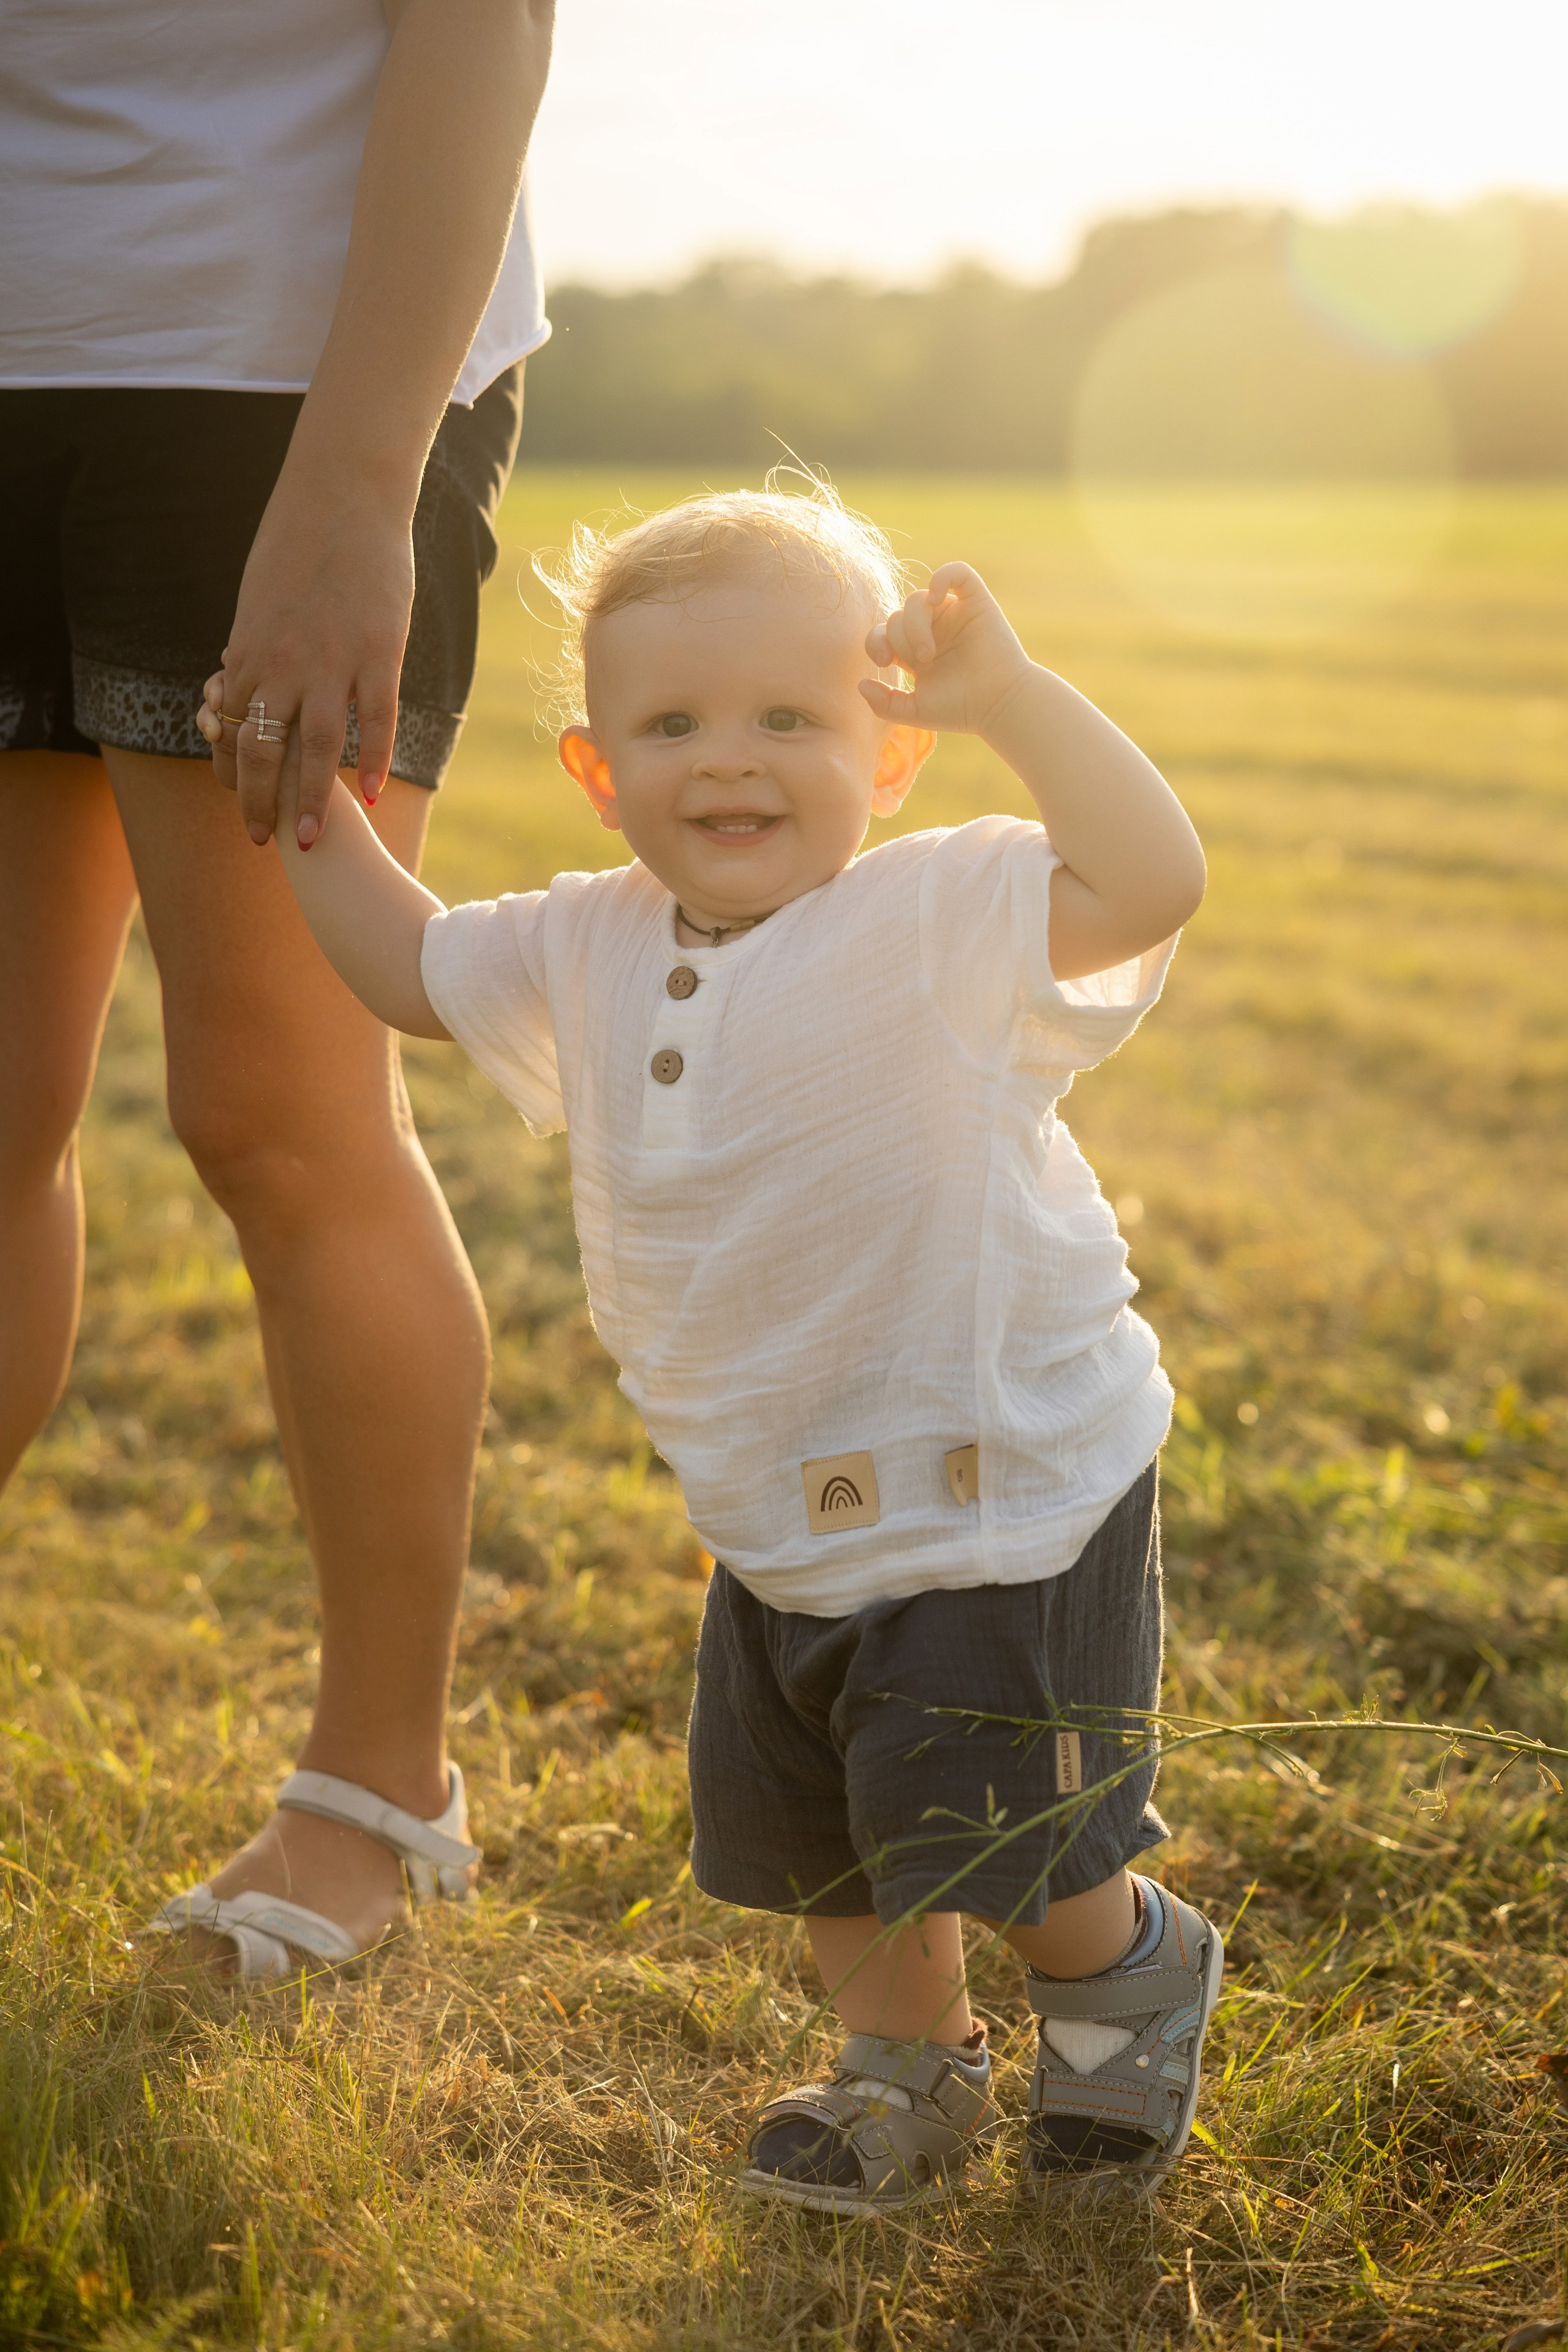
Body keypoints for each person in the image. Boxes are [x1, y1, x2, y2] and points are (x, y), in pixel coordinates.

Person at [216, 481, 1221, 2203]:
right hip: (771, 1502)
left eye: (789, 717)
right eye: (672, 723)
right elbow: (407, 965)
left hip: (1001, 1480)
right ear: (600, 771)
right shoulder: (589, 942)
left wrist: (1021, 700)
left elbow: (1152, 879)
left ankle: (1119, 1971)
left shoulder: (943, 914)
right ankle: (906, 2066)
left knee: (1014, 1830)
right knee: (824, 1827)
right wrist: (315, 812)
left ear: (890, 751)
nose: (729, 759)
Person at [0, 0, 555, 1977]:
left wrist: (355, 493)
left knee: (277, 1111)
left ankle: (375, 1796)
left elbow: (480, 24)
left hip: (275, 389)